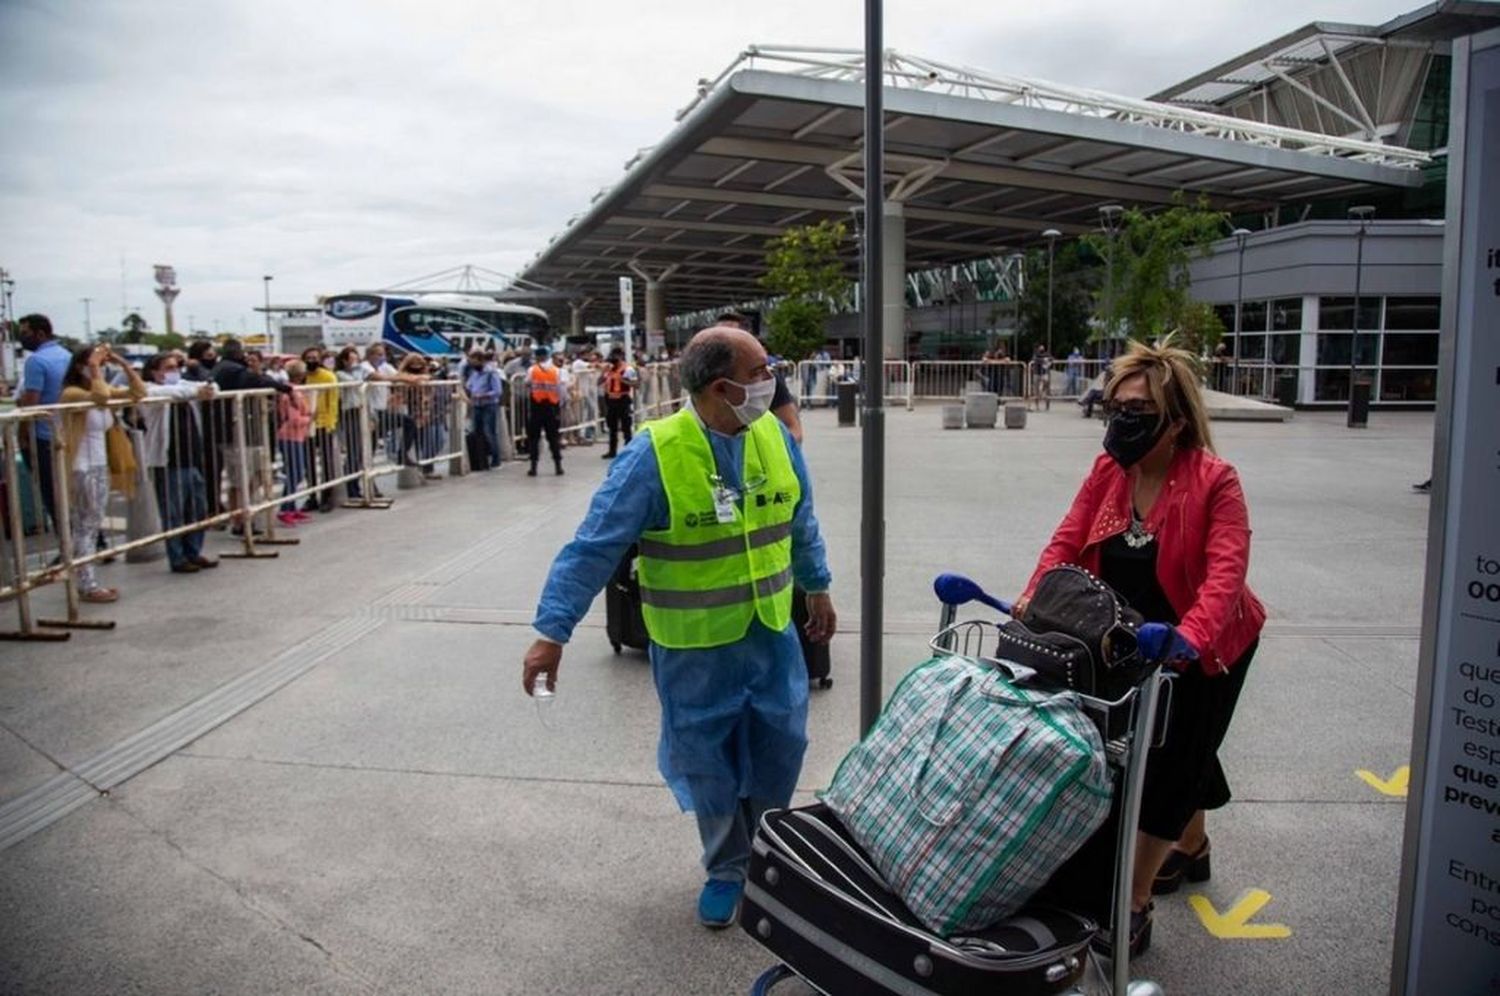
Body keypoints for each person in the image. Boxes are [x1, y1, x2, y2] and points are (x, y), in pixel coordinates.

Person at [522, 325, 835, 929]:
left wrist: (817, 586)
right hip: (695, 645)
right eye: (760, 372)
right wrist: (551, 632)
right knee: (707, 758)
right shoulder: (654, 454)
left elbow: (801, 519)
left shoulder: (773, 435)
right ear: (722, 387)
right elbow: (592, 546)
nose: (771, 382)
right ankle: (727, 867)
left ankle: (768, 857)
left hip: (772, 631)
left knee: (782, 744)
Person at [1015, 338, 1265, 957]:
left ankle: (1133, 900)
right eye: (1116, 407)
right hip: (1128, 635)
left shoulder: (1214, 481)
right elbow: (1066, 540)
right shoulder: (1109, 472)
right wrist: (1032, 595)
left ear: (1176, 421)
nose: (1122, 420)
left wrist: (1188, 641)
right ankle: (1193, 846)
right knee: (1177, 742)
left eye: (1139, 410)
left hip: (1204, 642)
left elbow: (1224, 577)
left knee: (1168, 763)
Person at [57, 345, 147, 602]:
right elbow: (98, 398)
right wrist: (95, 368)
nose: (99, 366)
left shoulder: (100, 390)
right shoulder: (72, 393)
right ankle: (87, 583)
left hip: (98, 464)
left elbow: (137, 392)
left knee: (91, 523)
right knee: (85, 526)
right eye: (93, 363)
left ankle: (87, 579)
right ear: (80, 367)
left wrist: (123, 364)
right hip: (81, 466)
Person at [140, 353, 218, 573]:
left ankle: (194, 551)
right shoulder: (150, 390)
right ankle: (177, 557)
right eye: (168, 368)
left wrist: (204, 390)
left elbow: (211, 386)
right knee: (173, 512)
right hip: (169, 461)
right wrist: (195, 392)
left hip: (192, 457)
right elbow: (170, 393)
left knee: (197, 509)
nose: (174, 371)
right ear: (154, 371)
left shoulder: (183, 386)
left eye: (176, 367)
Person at [15, 314, 71, 534]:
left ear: (40, 333)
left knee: (52, 494)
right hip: (65, 432)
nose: (22, 338)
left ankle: (68, 546)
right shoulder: (67, 355)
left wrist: (22, 434)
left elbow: (31, 404)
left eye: (25, 333)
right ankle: (94, 541)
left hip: (43, 436)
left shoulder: (36, 361)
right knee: (70, 492)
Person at [717, 312, 802, 443]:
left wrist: (783, 452)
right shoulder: (705, 382)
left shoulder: (767, 380)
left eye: (733, 338)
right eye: (718, 338)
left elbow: (793, 427)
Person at [301, 346, 340, 511]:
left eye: (314, 357)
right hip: (305, 424)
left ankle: (327, 496)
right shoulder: (302, 377)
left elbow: (333, 401)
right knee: (308, 463)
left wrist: (331, 422)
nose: (311, 361)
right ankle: (311, 496)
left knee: (326, 461)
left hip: (324, 422)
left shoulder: (328, 376)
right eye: (308, 358)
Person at [276, 360, 314, 525]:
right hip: (290, 435)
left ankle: (291, 506)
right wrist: (310, 418)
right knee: (296, 472)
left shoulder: (295, 390)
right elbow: (294, 419)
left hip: (296, 435)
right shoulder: (291, 393)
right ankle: (285, 507)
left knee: (297, 471)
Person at [523, 346, 564, 477]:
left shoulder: (532, 370)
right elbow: (560, 389)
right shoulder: (556, 371)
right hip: (552, 407)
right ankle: (558, 466)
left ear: (537, 357)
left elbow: (526, 383)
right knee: (553, 438)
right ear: (547, 356)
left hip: (536, 407)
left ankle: (533, 467)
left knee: (534, 438)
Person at [334, 346, 367, 499]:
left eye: (356, 359)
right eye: (351, 359)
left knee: (360, 451)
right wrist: (357, 370)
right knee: (353, 451)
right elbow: (356, 382)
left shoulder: (360, 371)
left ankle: (357, 484)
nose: (355, 362)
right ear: (344, 361)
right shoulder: (340, 374)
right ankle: (351, 486)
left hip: (361, 410)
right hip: (350, 411)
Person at [464, 349, 504, 469]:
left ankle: (496, 459)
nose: (471, 363)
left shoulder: (491, 373)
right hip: (476, 405)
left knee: (489, 432)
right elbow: (469, 386)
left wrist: (483, 395)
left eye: (473, 360)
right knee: (477, 432)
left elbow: (498, 391)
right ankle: (481, 458)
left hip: (489, 405)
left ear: (480, 360)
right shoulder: (474, 373)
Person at [599, 349, 637, 458]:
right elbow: (599, 382)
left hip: (623, 400)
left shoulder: (628, 369)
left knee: (626, 427)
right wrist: (603, 373)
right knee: (612, 427)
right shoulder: (609, 370)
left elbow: (636, 384)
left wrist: (622, 380)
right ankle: (612, 451)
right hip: (611, 401)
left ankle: (629, 451)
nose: (613, 364)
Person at [1029, 343, 1053, 412]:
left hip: (1044, 373)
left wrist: (1048, 361)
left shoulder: (1047, 353)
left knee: (1046, 383)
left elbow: (1051, 358)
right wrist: (1044, 360)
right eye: (1040, 347)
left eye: (1043, 347)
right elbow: (1035, 359)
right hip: (1037, 373)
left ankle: (1046, 404)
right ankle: (1037, 406)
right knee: (1036, 390)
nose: (1042, 348)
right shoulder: (1035, 354)